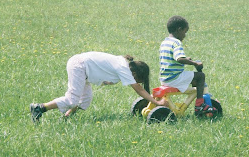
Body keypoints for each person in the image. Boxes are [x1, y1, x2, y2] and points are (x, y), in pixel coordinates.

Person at [30, 51, 168, 122]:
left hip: (83, 69)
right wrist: (156, 101)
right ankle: (40, 107)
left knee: (85, 99)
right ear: (134, 72)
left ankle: (66, 117)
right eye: (138, 78)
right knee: (72, 99)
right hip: (79, 66)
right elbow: (138, 88)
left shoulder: (122, 65)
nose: (137, 81)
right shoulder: (124, 68)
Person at [159, 16, 216, 116]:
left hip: (165, 78)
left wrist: (187, 59)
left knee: (193, 78)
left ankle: (198, 100)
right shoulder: (177, 43)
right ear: (179, 29)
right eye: (185, 32)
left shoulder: (165, 42)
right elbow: (179, 59)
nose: (185, 35)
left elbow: (172, 59)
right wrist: (194, 63)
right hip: (174, 78)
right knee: (200, 76)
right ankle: (200, 105)